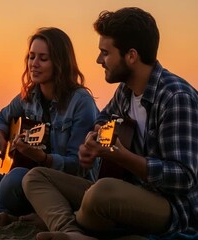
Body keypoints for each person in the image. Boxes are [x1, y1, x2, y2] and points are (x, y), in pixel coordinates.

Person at [22, 7, 198, 240]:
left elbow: (184, 177)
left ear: (131, 56)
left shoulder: (176, 98)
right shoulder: (125, 91)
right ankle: (71, 232)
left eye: (105, 53)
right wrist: (91, 141)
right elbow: (102, 119)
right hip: (127, 192)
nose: (98, 60)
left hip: (170, 207)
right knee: (35, 177)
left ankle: (74, 223)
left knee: (100, 193)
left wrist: (123, 157)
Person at [0, 27, 99, 226]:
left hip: (61, 188)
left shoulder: (80, 102)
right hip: (21, 184)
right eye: (31, 57)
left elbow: (77, 167)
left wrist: (41, 158)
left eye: (43, 58)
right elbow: (1, 117)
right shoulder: (29, 97)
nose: (34, 64)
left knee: (17, 176)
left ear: (60, 63)